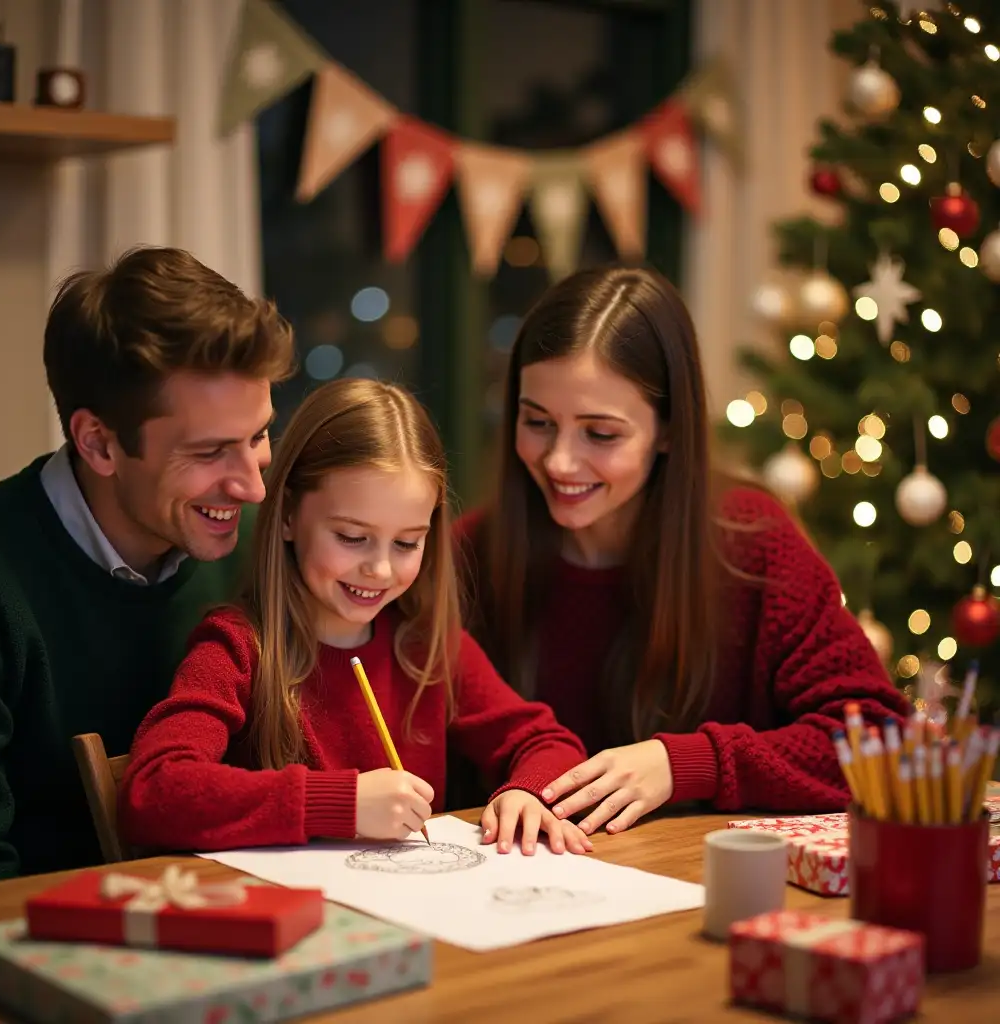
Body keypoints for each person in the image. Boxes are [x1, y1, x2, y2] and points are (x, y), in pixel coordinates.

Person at [454, 265, 911, 836]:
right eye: (537, 422)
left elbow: (877, 740)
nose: (559, 462)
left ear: (668, 430)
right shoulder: (466, 554)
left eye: (601, 434)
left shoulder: (752, 545)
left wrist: (687, 763)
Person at [119, 379, 592, 857]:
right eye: (351, 537)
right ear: (286, 516)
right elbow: (152, 793)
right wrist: (339, 804)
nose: (381, 568)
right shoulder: (238, 648)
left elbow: (548, 743)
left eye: (407, 542)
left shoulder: (426, 648)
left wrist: (527, 792)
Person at [0, 247, 295, 881]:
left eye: (257, 437)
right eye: (209, 452)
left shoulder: (268, 548)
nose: (253, 487)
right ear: (99, 442)